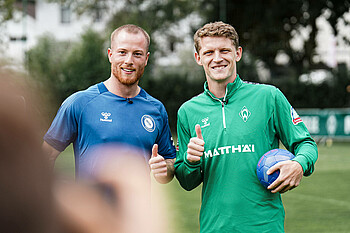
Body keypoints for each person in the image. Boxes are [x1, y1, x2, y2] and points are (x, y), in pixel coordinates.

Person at [174, 21, 318, 232]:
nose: (217, 58)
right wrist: (191, 161)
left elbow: (306, 144)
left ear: (238, 53)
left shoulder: (269, 97)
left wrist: (299, 164)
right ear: (198, 58)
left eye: (224, 50)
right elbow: (187, 181)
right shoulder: (187, 112)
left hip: (265, 227)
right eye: (209, 52)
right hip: (214, 228)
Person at [42, 24, 176, 183]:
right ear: (110, 54)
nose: (129, 61)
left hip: (138, 208)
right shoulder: (79, 103)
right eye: (122, 52)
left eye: (137, 54)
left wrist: (165, 170)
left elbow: (169, 163)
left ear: (146, 59)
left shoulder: (156, 109)